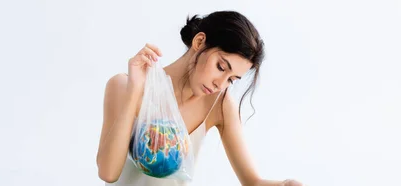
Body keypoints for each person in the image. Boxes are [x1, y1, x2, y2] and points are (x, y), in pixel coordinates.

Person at [96, 10, 303, 186]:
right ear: (199, 41)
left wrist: (284, 184)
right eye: (221, 67)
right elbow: (108, 173)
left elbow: (253, 182)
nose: (220, 85)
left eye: (231, 79)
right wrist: (135, 91)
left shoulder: (218, 105)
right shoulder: (123, 86)